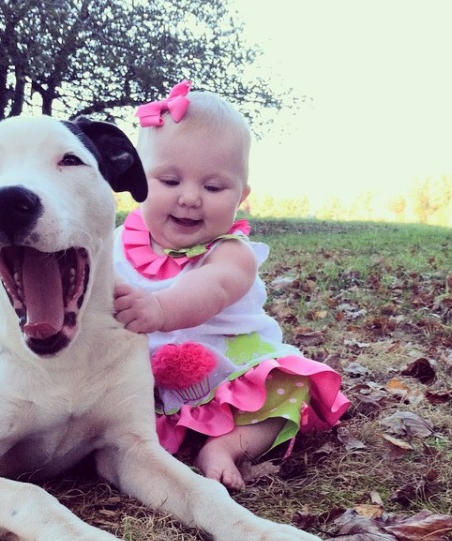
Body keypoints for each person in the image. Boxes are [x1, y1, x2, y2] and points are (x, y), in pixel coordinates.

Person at [113, 81, 350, 490]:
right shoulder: (119, 241)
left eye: (213, 187)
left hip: (226, 371)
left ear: (241, 195)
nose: (189, 197)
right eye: (169, 181)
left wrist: (160, 310)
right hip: (143, 375)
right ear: (138, 181)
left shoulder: (231, 252)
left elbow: (215, 286)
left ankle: (227, 446)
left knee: (289, 389)